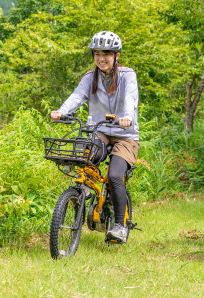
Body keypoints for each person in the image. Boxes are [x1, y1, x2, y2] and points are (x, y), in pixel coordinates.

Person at [51, 31, 139, 243]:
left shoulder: (127, 76)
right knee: (84, 158)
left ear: (116, 55)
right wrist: (62, 111)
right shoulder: (90, 78)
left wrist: (127, 117)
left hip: (125, 134)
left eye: (106, 53)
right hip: (99, 131)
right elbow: (77, 96)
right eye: (97, 53)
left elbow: (130, 98)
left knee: (116, 176)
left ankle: (119, 226)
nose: (102, 58)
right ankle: (83, 193)